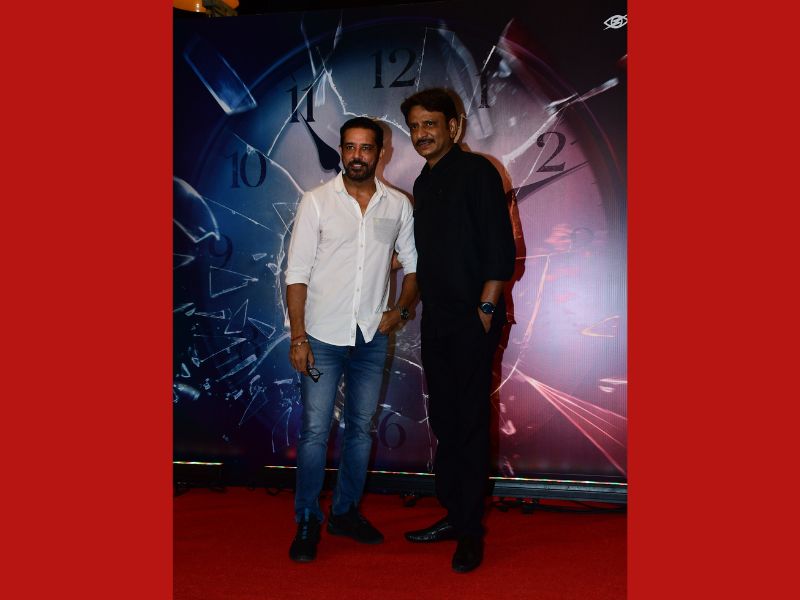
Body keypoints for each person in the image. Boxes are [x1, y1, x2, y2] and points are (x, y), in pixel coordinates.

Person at [284, 116, 418, 563]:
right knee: (315, 431)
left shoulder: (397, 205)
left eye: (366, 147)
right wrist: (298, 337)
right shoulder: (316, 202)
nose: (357, 155)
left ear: (381, 152)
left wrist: (400, 311)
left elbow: (413, 265)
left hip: (370, 336)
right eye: (350, 147)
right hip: (320, 335)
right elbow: (297, 274)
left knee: (360, 429)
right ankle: (307, 518)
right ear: (341, 151)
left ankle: (344, 513)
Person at [399, 88, 516, 573]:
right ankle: (454, 513)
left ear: (454, 126)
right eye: (414, 126)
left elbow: (500, 249)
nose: (421, 134)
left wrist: (484, 310)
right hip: (438, 319)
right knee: (446, 423)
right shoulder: (423, 182)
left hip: (472, 319)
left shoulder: (478, 172)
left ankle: (470, 532)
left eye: (430, 124)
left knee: (468, 422)